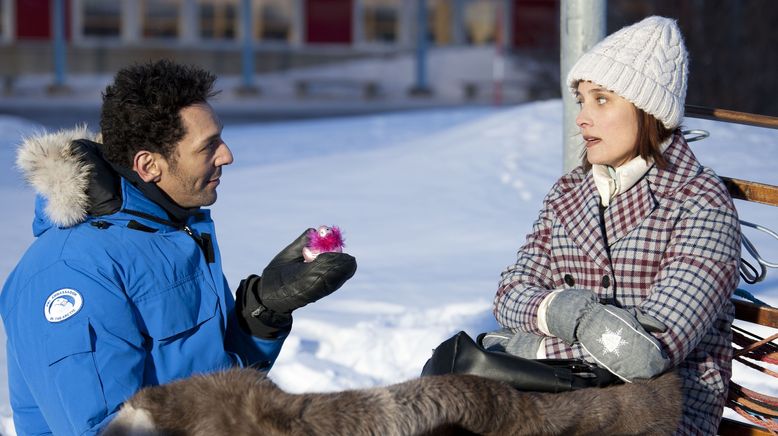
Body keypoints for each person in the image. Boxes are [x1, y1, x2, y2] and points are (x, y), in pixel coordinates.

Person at [0, 59, 357, 435]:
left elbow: (214, 387)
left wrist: (262, 313)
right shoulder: (73, 269)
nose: (227, 155)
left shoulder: (171, 233)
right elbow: (107, 429)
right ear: (149, 165)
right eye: (208, 146)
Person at [482, 16, 740, 434]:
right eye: (581, 100)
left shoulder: (700, 205)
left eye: (601, 99)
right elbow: (509, 295)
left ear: (647, 109)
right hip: (565, 396)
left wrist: (524, 342)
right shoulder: (568, 192)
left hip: (666, 411)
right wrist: (589, 329)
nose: (582, 117)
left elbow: (644, 354)